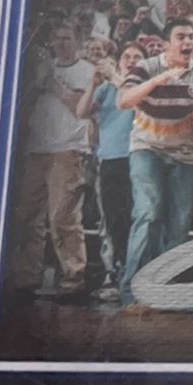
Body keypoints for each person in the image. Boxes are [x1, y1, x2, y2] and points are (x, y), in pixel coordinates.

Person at [117, 17, 193, 311]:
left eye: (191, 37)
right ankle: (132, 291)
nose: (188, 42)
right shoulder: (146, 67)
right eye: (181, 37)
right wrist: (158, 80)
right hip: (147, 149)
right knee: (148, 212)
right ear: (166, 44)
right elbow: (123, 100)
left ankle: (162, 289)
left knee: (179, 225)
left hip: (186, 154)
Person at [7, 22, 95, 304]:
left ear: (77, 41)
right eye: (57, 38)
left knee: (63, 217)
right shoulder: (42, 70)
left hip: (67, 150)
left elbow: (79, 107)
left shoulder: (86, 70)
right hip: (37, 148)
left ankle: (73, 277)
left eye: (67, 38)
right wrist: (38, 80)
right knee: (27, 216)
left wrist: (53, 81)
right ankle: (26, 276)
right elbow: (24, 106)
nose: (62, 44)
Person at [75, 41, 146, 301]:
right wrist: (93, 83)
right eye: (127, 56)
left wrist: (116, 76)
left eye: (137, 57)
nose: (131, 60)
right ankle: (117, 273)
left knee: (136, 217)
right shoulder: (106, 89)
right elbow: (81, 112)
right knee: (113, 220)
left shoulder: (144, 88)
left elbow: (136, 103)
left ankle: (137, 275)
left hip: (137, 158)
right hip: (109, 159)